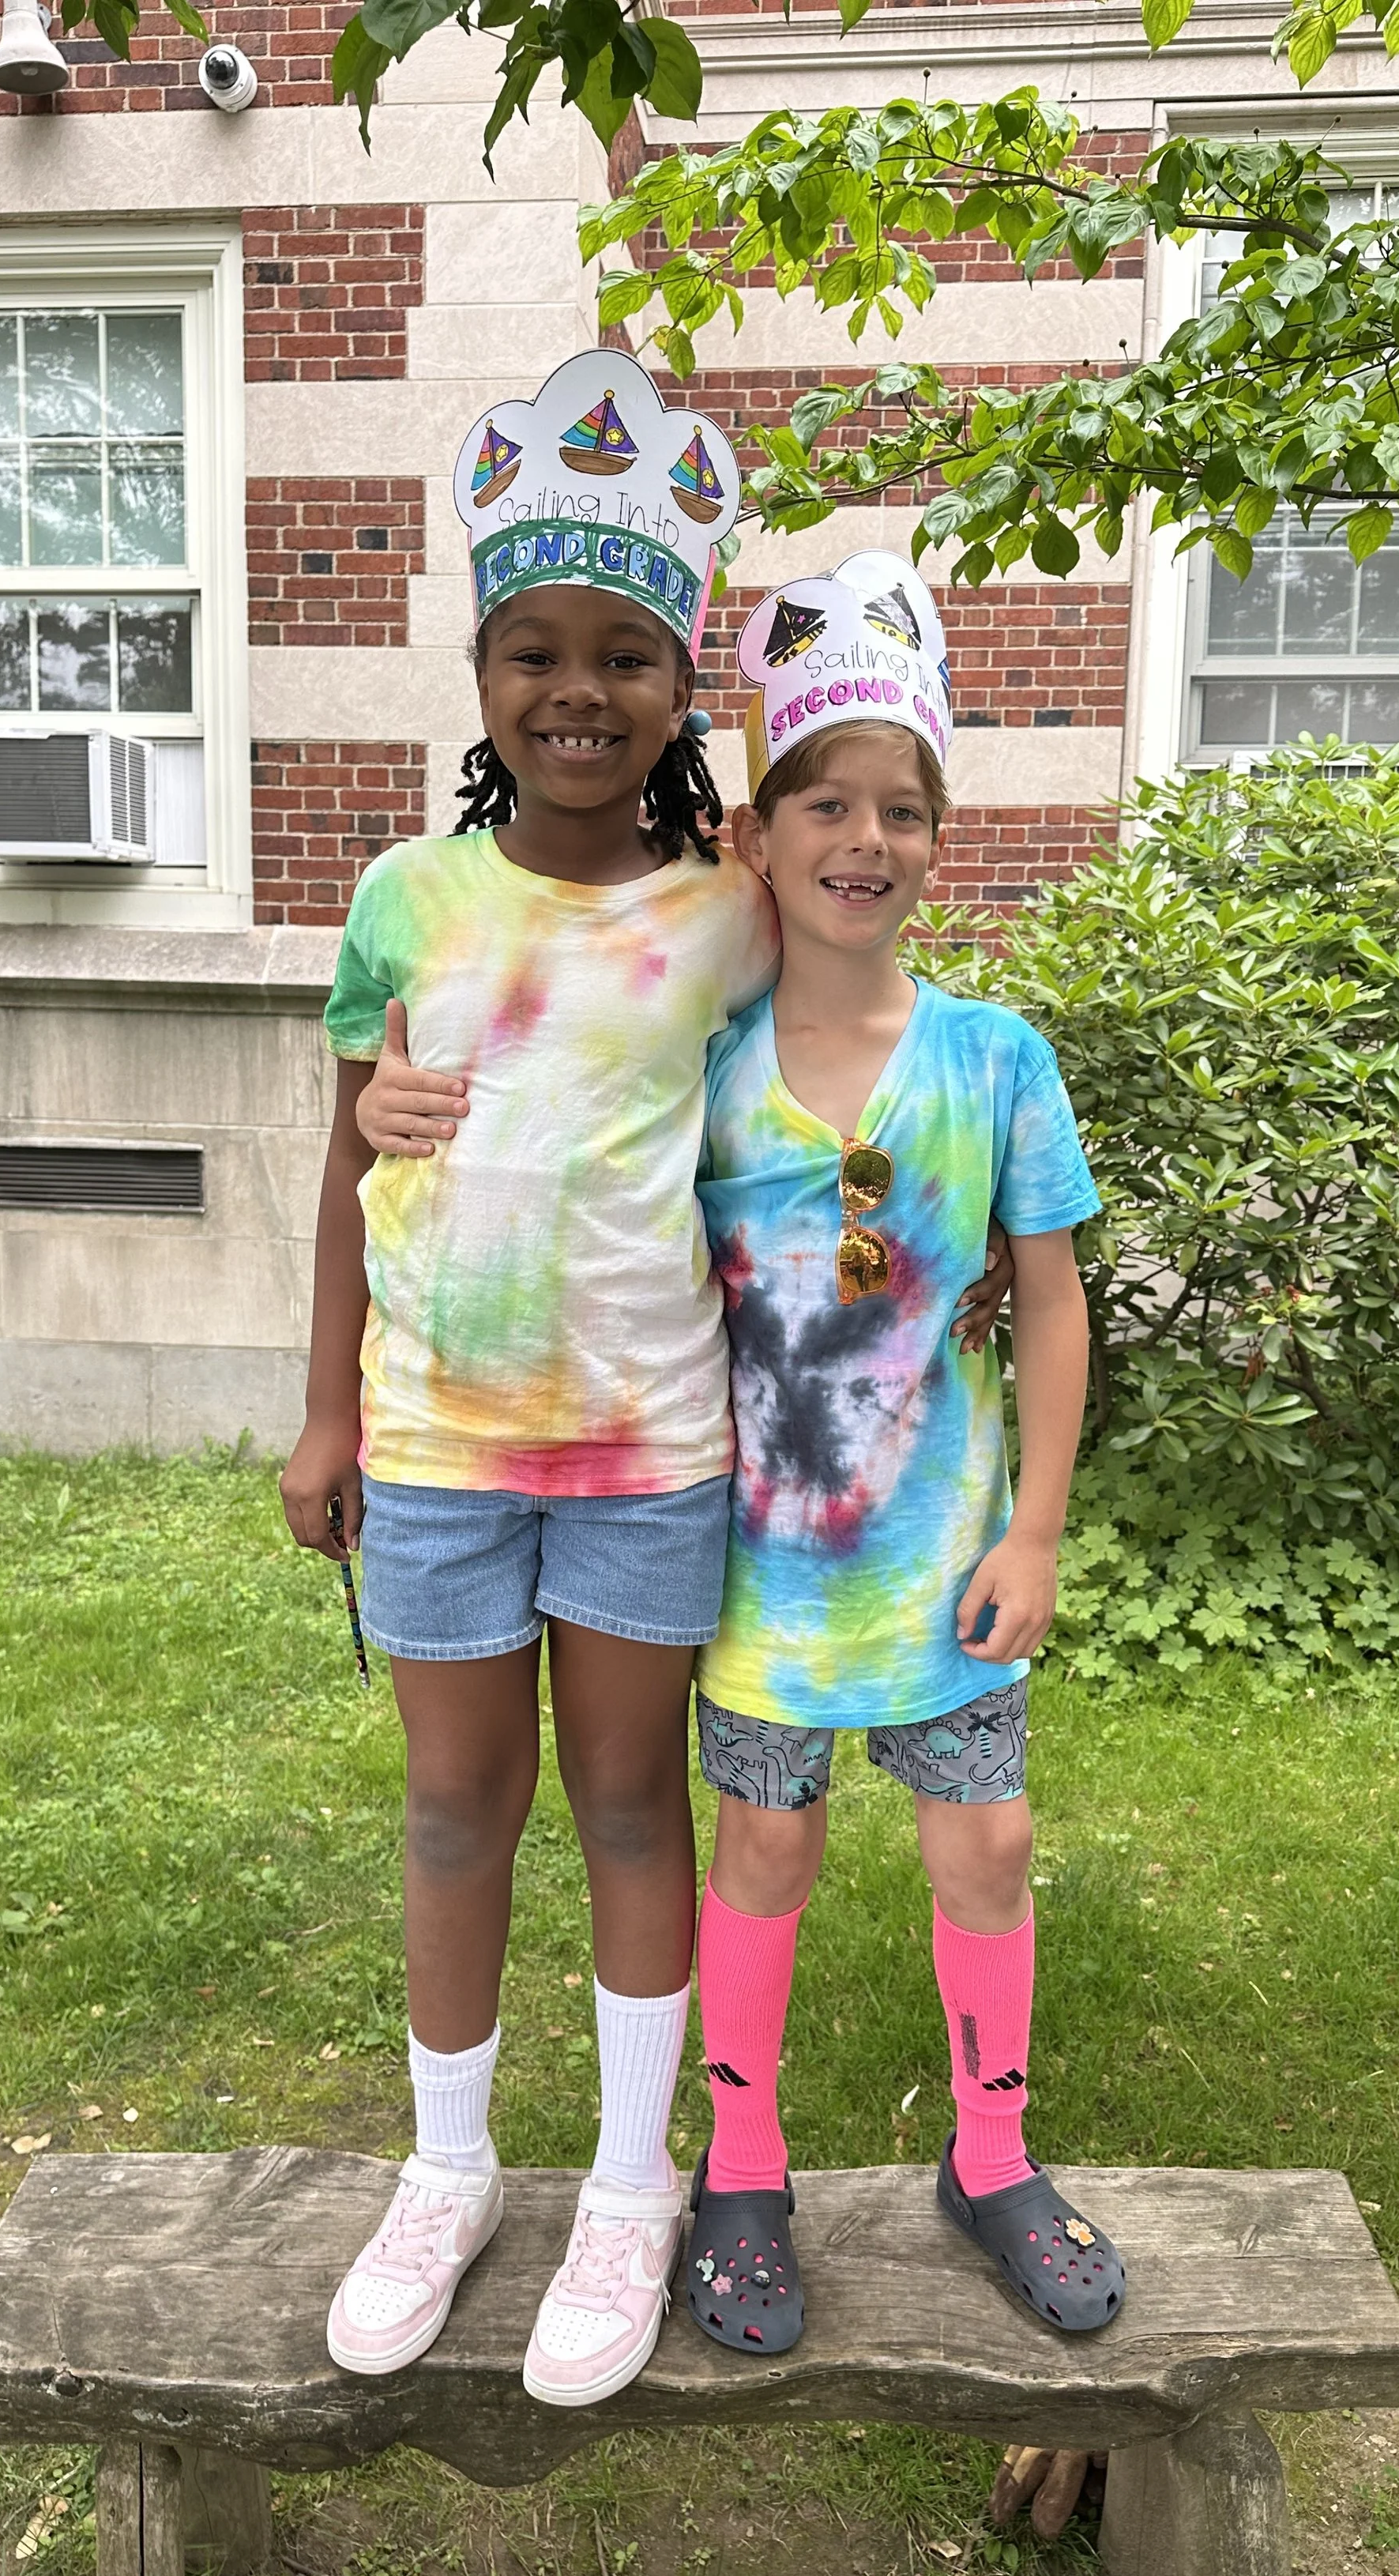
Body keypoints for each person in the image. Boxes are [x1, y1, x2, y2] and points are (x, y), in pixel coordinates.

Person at [279, 354, 777, 2409]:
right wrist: (322, 1408)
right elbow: (345, 1153)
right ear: (481, 670)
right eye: (534, 652)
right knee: (451, 1804)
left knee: (632, 1802)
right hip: (440, 1448)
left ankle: (632, 2186)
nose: (577, 691)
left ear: (679, 679)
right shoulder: (408, 899)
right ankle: (451, 2167)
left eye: (626, 655)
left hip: (650, 1452)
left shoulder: (727, 918)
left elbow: (839, 1056)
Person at [683, 552, 1127, 2353]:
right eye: (825, 805)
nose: (864, 840)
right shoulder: (696, 1056)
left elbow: (1053, 1303)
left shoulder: (995, 1058)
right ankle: (739, 2162)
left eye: (901, 812)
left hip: (940, 1564)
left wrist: (1032, 1530)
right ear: (758, 828)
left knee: (990, 1841)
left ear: (939, 837)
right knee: (760, 1856)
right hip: (753, 1572)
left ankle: (992, 2151)